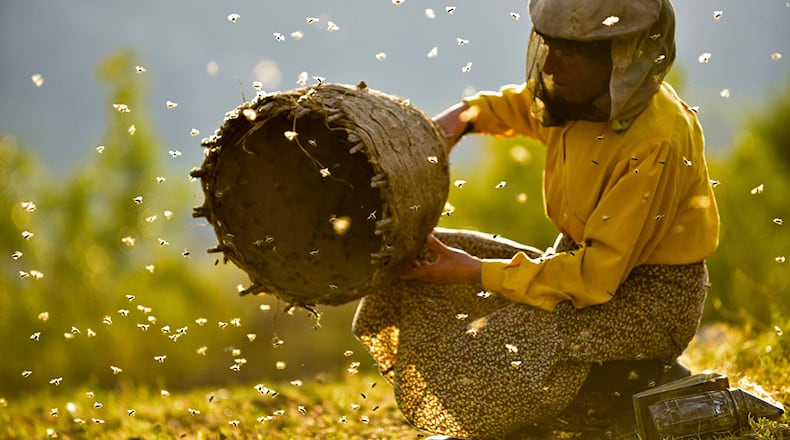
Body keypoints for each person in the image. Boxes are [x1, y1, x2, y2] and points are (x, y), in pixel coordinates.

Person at [352, 0, 720, 438]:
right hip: (579, 273)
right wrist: (456, 123)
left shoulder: (655, 140)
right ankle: (605, 387)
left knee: (500, 348)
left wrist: (474, 273)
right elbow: (518, 107)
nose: (552, 65)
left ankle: (619, 391)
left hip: (647, 302)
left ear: (619, 57)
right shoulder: (579, 96)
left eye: (569, 52)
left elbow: (594, 278)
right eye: (551, 46)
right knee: (413, 263)